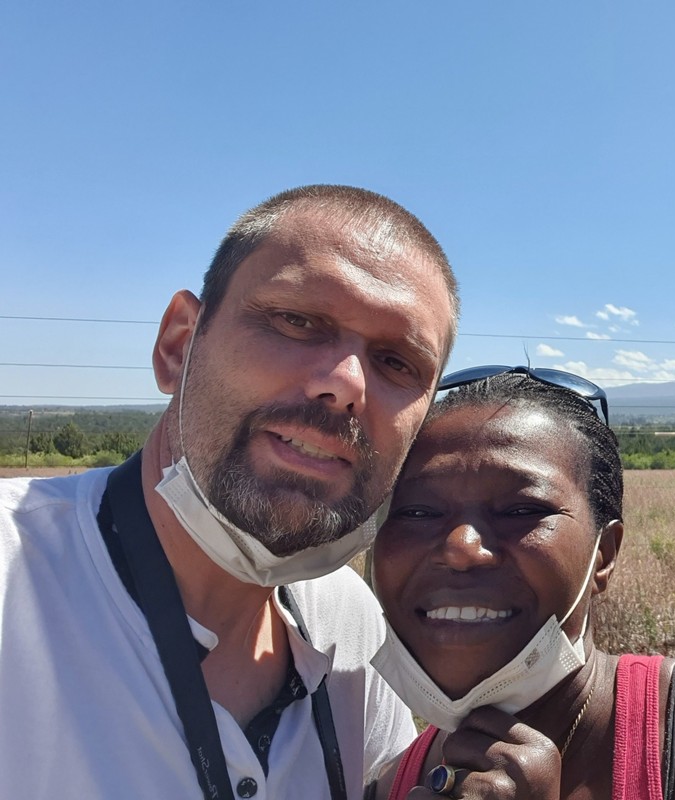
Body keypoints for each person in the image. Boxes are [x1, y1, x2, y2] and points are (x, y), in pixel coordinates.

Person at [0, 185, 460, 798]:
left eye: (398, 363)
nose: (347, 385)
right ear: (179, 346)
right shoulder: (14, 580)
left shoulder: (350, 622)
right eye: (297, 320)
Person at [368, 366, 675, 800]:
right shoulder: (390, 784)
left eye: (522, 511)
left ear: (604, 554)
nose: (462, 546)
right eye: (416, 512)